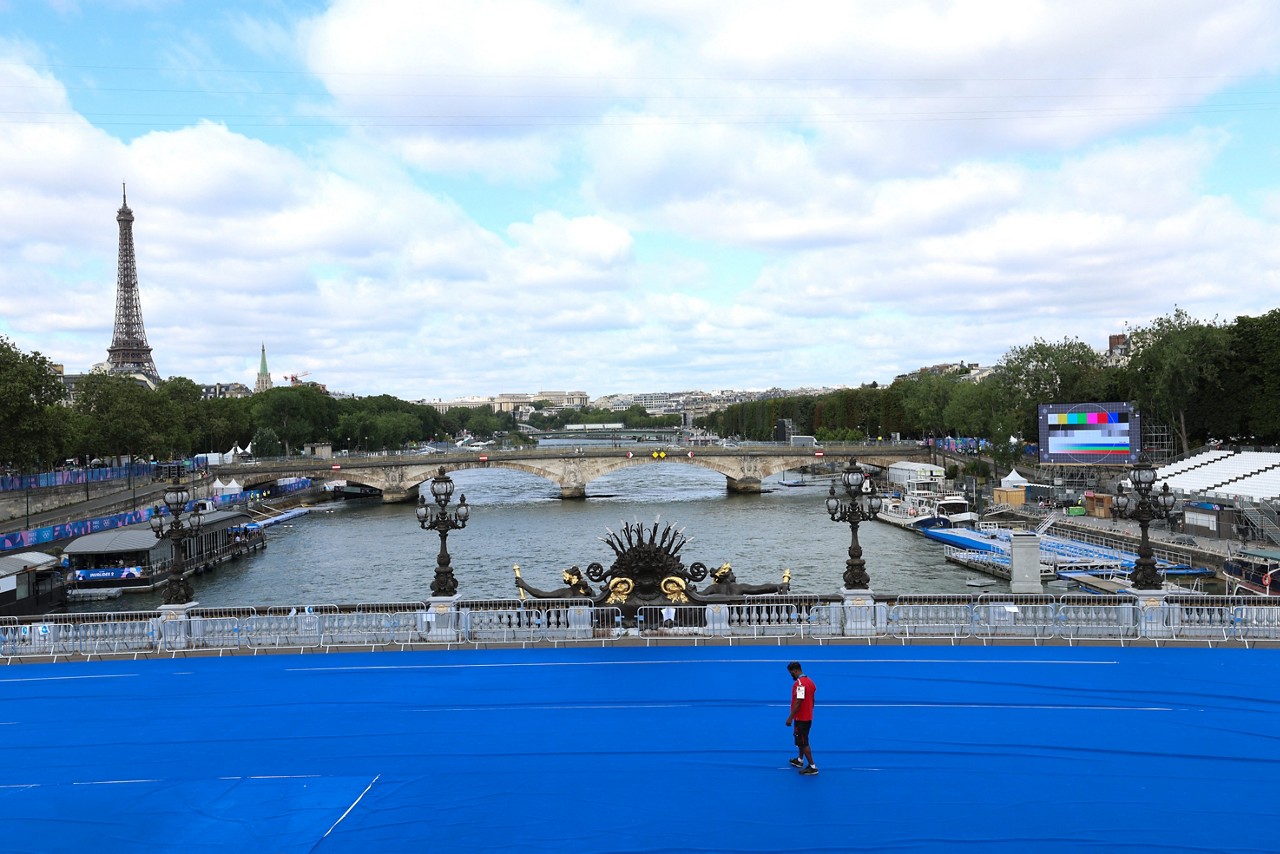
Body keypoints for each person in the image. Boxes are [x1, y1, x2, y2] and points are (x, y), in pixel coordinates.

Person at [785, 661, 818, 775]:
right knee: (800, 740)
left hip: (801, 718)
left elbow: (798, 702)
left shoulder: (799, 684)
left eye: (791, 673)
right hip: (808, 717)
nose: (791, 676)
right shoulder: (810, 682)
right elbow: (813, 700)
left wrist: (790, 718)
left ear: (795, 671)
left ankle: (812, 766)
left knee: (803, 742)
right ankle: (800, 760)